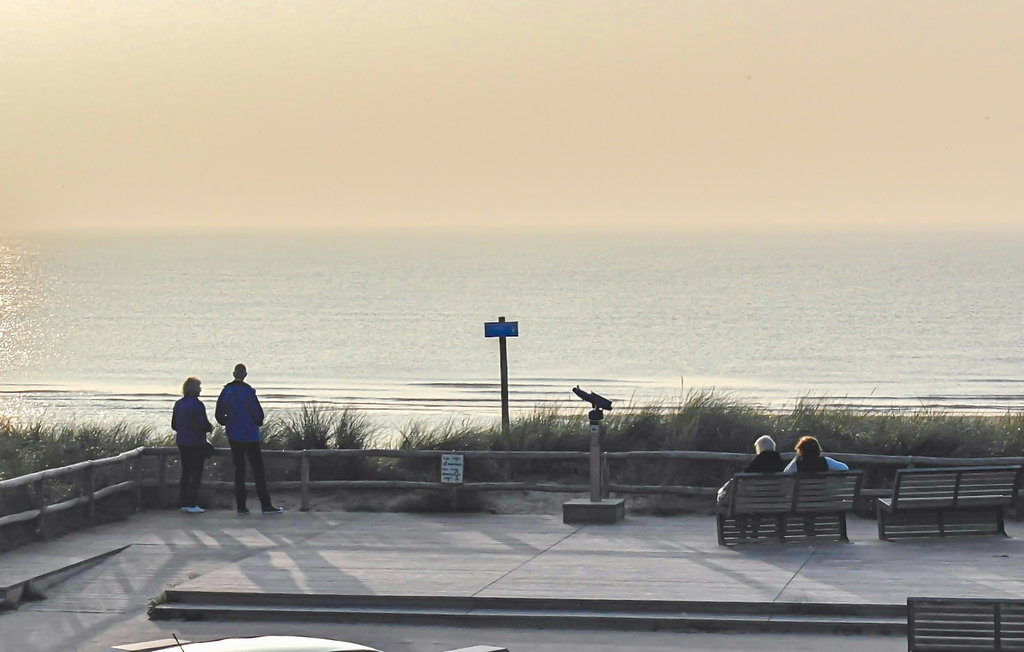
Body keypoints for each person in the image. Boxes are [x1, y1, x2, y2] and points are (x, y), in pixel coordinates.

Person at [216, 363, 283, 515]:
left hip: (234, 435)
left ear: (233, 373)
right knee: (258, 470)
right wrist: (256, 423)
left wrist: (228, 422)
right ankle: (265, 504)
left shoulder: (226, 391)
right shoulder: (248, 392)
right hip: (250, 435)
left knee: (239, 470)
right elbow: (258, 414)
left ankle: (241, 506)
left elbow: (219, 414)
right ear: (245, 374)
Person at [171, 376, 213, 514]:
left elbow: (174, 425)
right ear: (195, 390)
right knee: (196, 472)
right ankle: (192, 502)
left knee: (186, 472)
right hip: (196, 442)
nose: (201, 390)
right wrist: (210, 427)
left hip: (182, 441)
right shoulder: (197, 405)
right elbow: (203, 424)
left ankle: (184, 502)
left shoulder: (179, 404)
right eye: (199, 387)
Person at [717, 435, 785, 505]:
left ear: (760, 447)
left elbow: (744, 476)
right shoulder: (779, 461)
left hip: (754, 500)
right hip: (775, 499)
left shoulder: (759, 461)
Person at [783, 436, 849, 473]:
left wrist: (796, 457)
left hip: (802, 495)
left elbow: (786, 473)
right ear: (818, 449)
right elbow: (844, 468)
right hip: (821, 495)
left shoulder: (797, 464)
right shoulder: (825, 461)